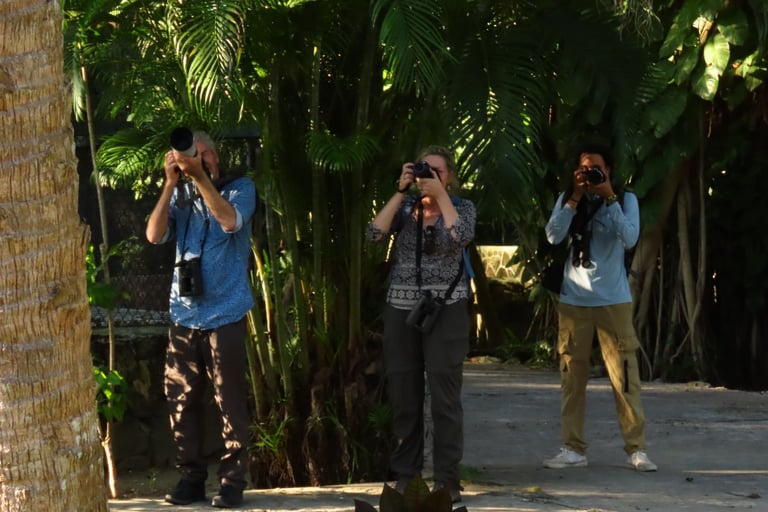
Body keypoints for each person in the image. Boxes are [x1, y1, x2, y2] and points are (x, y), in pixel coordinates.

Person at [145, 129, 257, 508]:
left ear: (216, 157)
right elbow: (153, 234)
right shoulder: (178, 196)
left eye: (203, 154)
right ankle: (191, 478)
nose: (197, 159)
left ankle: (231, 483)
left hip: (225, 314)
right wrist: (169, 184)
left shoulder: (240, 188)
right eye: (190, 155)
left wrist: (200, 177)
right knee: (182, 400)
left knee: (230, 401)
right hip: (184, 317)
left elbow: (229, 222)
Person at [367, 145, 476, 503]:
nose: (427, 176)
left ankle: (447, 481)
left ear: (451, 177)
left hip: (447, 307)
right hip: (402, 309)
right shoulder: (406, 210)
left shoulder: (462, 208)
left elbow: (460, 236)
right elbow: (373, 234)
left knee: (444, 399)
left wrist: (441, 195)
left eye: (436, 171)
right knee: (405, 396)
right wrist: (401, 191)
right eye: (422, 170)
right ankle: (406, 477)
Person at [543, 143, 657, 472]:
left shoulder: (624, 200)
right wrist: (575, 198)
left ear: (609, 170)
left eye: (597, 168)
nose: (590, 173)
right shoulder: (568, 198)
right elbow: (553, 236)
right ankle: (572, 449)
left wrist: (608, 196)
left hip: (613, 301)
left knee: (624, 379)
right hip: (573, 301)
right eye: (584, 168)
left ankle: (636, 449)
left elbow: (630, 237)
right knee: (571, 379)